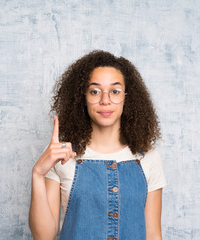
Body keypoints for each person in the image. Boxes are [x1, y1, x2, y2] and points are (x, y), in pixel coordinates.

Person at [29, 50, 166, 240]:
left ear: (128, 97)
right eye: (95, 91)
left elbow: (152, 234)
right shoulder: (62, 156)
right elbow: (43, 236)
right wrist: (37, 173)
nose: (105, 100)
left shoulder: (148, 158)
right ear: (82, 97)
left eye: (115, 91)